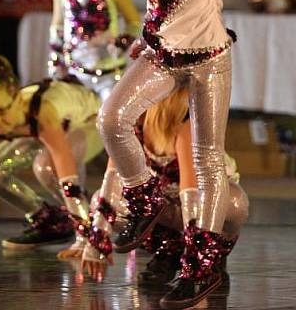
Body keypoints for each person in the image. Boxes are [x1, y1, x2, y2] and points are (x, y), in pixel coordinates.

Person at [98, 0, 243, 309]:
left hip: (208, 58)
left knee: (206, 158)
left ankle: (199, 262)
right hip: (163, 50)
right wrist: (146, 34)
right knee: (113, 118)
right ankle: (143, 199)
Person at [80, 86, 248, 294]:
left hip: (204, 207)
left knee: (233, 202)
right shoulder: (132, 125)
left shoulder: (187, 127)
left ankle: (206, 256)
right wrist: (97, 239)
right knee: (102, 200)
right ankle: (168, 251)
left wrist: (195, 262)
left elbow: (190, 193)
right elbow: (113, 177)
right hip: (164, 203)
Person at [0, 54, 103, 256]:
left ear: (16, 97)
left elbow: (69, 181)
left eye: (1, 111)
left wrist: (85, 239)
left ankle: (91, 228)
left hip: (89, 120)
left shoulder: (41, 111)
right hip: (49, 124)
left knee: (46, 166)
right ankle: (48, 219)